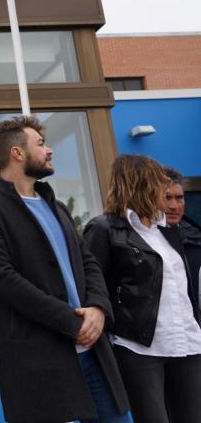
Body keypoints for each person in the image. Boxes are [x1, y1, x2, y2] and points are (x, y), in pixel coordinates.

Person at [0, 116, 129, 423]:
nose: (50, 150)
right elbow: (3, 281)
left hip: (94, 353)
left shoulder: (57, 205)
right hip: (40, 360)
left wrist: (98, 309)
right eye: (40, 144)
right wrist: (72, 322)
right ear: (17, 153)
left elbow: (88, 261)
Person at [84, 155, 201, 423]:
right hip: (138, 349)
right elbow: (93, 286)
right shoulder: (105, 229)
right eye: (159, 183)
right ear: (140, 185)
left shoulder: (170, 231)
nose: (166, 191)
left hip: (187, 345)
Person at [164, 167, 201, 303]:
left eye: (179, 198)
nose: (174, 206)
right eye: (167, 198)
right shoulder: (141, 241)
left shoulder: (196, 238)